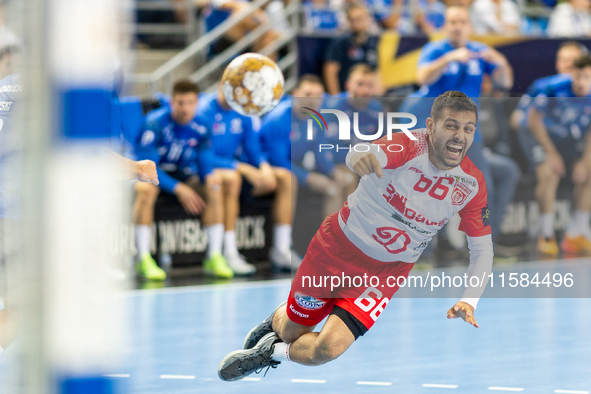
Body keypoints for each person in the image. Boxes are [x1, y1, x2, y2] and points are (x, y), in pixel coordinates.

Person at [217, 91, 493, 381]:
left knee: (326, 350)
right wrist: (360, 157)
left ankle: (269, 352)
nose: (459, 135)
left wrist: (470, 300)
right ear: (430, 126)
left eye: (468, 128)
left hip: (385, 273)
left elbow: (483, 250)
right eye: (451, 125)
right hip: (335, 250)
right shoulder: (410, 145)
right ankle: (278, 319)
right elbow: (367, 152)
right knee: (292, 331)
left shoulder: (471, 183)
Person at [400, 5, 513, 244]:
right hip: (439, 136)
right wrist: (450, 58)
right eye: (452, 22)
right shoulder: (435, 50)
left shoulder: (479, 52)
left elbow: (505, 81)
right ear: (446, 26)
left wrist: (500, 61)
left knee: (484, 188)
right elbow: (422, 78)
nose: (457, 27)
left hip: (471, 135)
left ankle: (483, 247)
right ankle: (426, 250)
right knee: (432, 190)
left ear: (469, 26)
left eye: (462, 22)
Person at [133, 80, 229, 280]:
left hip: (183, 174)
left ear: (197, 102)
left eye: (190, 103)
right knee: (146, 189)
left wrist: (210, 177)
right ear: (171, 103)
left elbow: (204, 166)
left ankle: (214, 256)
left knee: (214, 185)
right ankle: (143, 258)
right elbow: (149, 169)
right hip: (151, 174)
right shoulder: (154, 123)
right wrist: (179, 189)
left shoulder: (202, 126)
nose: (185, 108)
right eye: (180, 103)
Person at [196, 86, 276, 275]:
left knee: (280, 179)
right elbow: (204, 155)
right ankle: (223, 252)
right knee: (231, 180)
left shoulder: (244, 113)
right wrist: (240, 167)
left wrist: (264, 167)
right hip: (202, 168)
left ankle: (280, 249)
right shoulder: (204, 111)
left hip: (233, 169)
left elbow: (253, 149)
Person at [520, 56, 591, 255]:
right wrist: (551, 154)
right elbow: (533, 120)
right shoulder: (551, 87)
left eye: (587, 77)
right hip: (538, 136)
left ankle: (577, 232)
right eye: (578, 76)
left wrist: (585, 162)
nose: (582, 82)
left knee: (589, 170)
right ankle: (546, 233)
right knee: (549, 173)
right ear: (572, 74)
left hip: (567, 139)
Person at [325, 63, 382, 205]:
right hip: (335, 163)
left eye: (369, 85)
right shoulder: (333, 107)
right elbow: (328, 149)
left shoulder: (377, 109)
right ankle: (339, 227)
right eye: (360, 84)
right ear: (348, 84)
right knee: (347, 176)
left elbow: (385, 143)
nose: (365, 90)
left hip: (365, 163)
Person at [511, 41, 587, 132]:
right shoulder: (543, 86)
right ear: (557, 63)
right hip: (545, 140)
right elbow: (516, 120)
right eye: (564, 60)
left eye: (574, 61)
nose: (569, 65)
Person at [323, 4, 379, 95]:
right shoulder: (341, 42)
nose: (357, 23)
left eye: (360, 18)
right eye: (353, 19)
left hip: (365, 94)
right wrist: (335, 96)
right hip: (346, 94)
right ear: (348, 21)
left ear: (368, 19)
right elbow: (330, 71)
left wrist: (378, 96)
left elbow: (376, 72)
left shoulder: (372, 43)